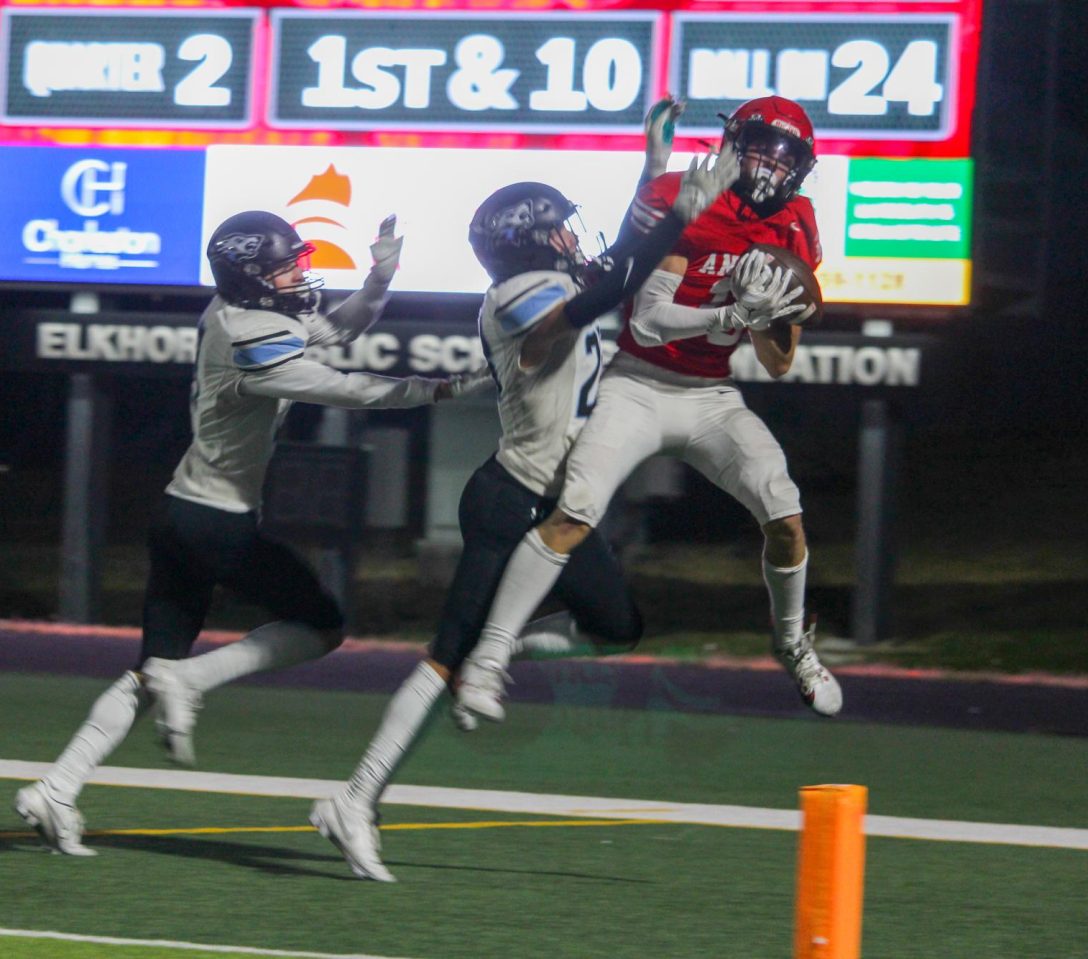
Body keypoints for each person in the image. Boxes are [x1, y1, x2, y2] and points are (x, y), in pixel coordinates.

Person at [309, 135, 739, 882]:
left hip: (561, 506)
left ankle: (494, 651)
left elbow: (614, 264)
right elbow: (601, 292)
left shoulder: (544, 282)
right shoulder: (519, 297)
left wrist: (654, 171)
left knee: (616, 627)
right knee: (444, 656)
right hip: (513, 501)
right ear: (533, 241)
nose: (576, 237)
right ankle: (354, 798)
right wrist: (674, 226)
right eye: (562, 227)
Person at [14, 210, 484, 856]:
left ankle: (57, 787)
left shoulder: (242, 312)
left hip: (180, 511)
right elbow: (351, 390)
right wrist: (445, 388)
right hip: (215, 520)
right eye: (286, 265)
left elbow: (337, 332)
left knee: (151, 670)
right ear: (253, 277)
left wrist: (378, 279)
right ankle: (192, 681)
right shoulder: (253, 338)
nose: (300, 273)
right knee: (320, 624)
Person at [456, 95, 843, 726]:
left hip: (712, 396)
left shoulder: (795, 222)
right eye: (761, 148)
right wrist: (731, 312)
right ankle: (488, 659)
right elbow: (654, 319)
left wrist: (771, 311)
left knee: (786, 516)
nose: (772, 167)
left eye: (786, 155)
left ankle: (793, 641)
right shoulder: (692, 195)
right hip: (638, 382)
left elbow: (778, 362)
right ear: (731, 143)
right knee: (574, 510)